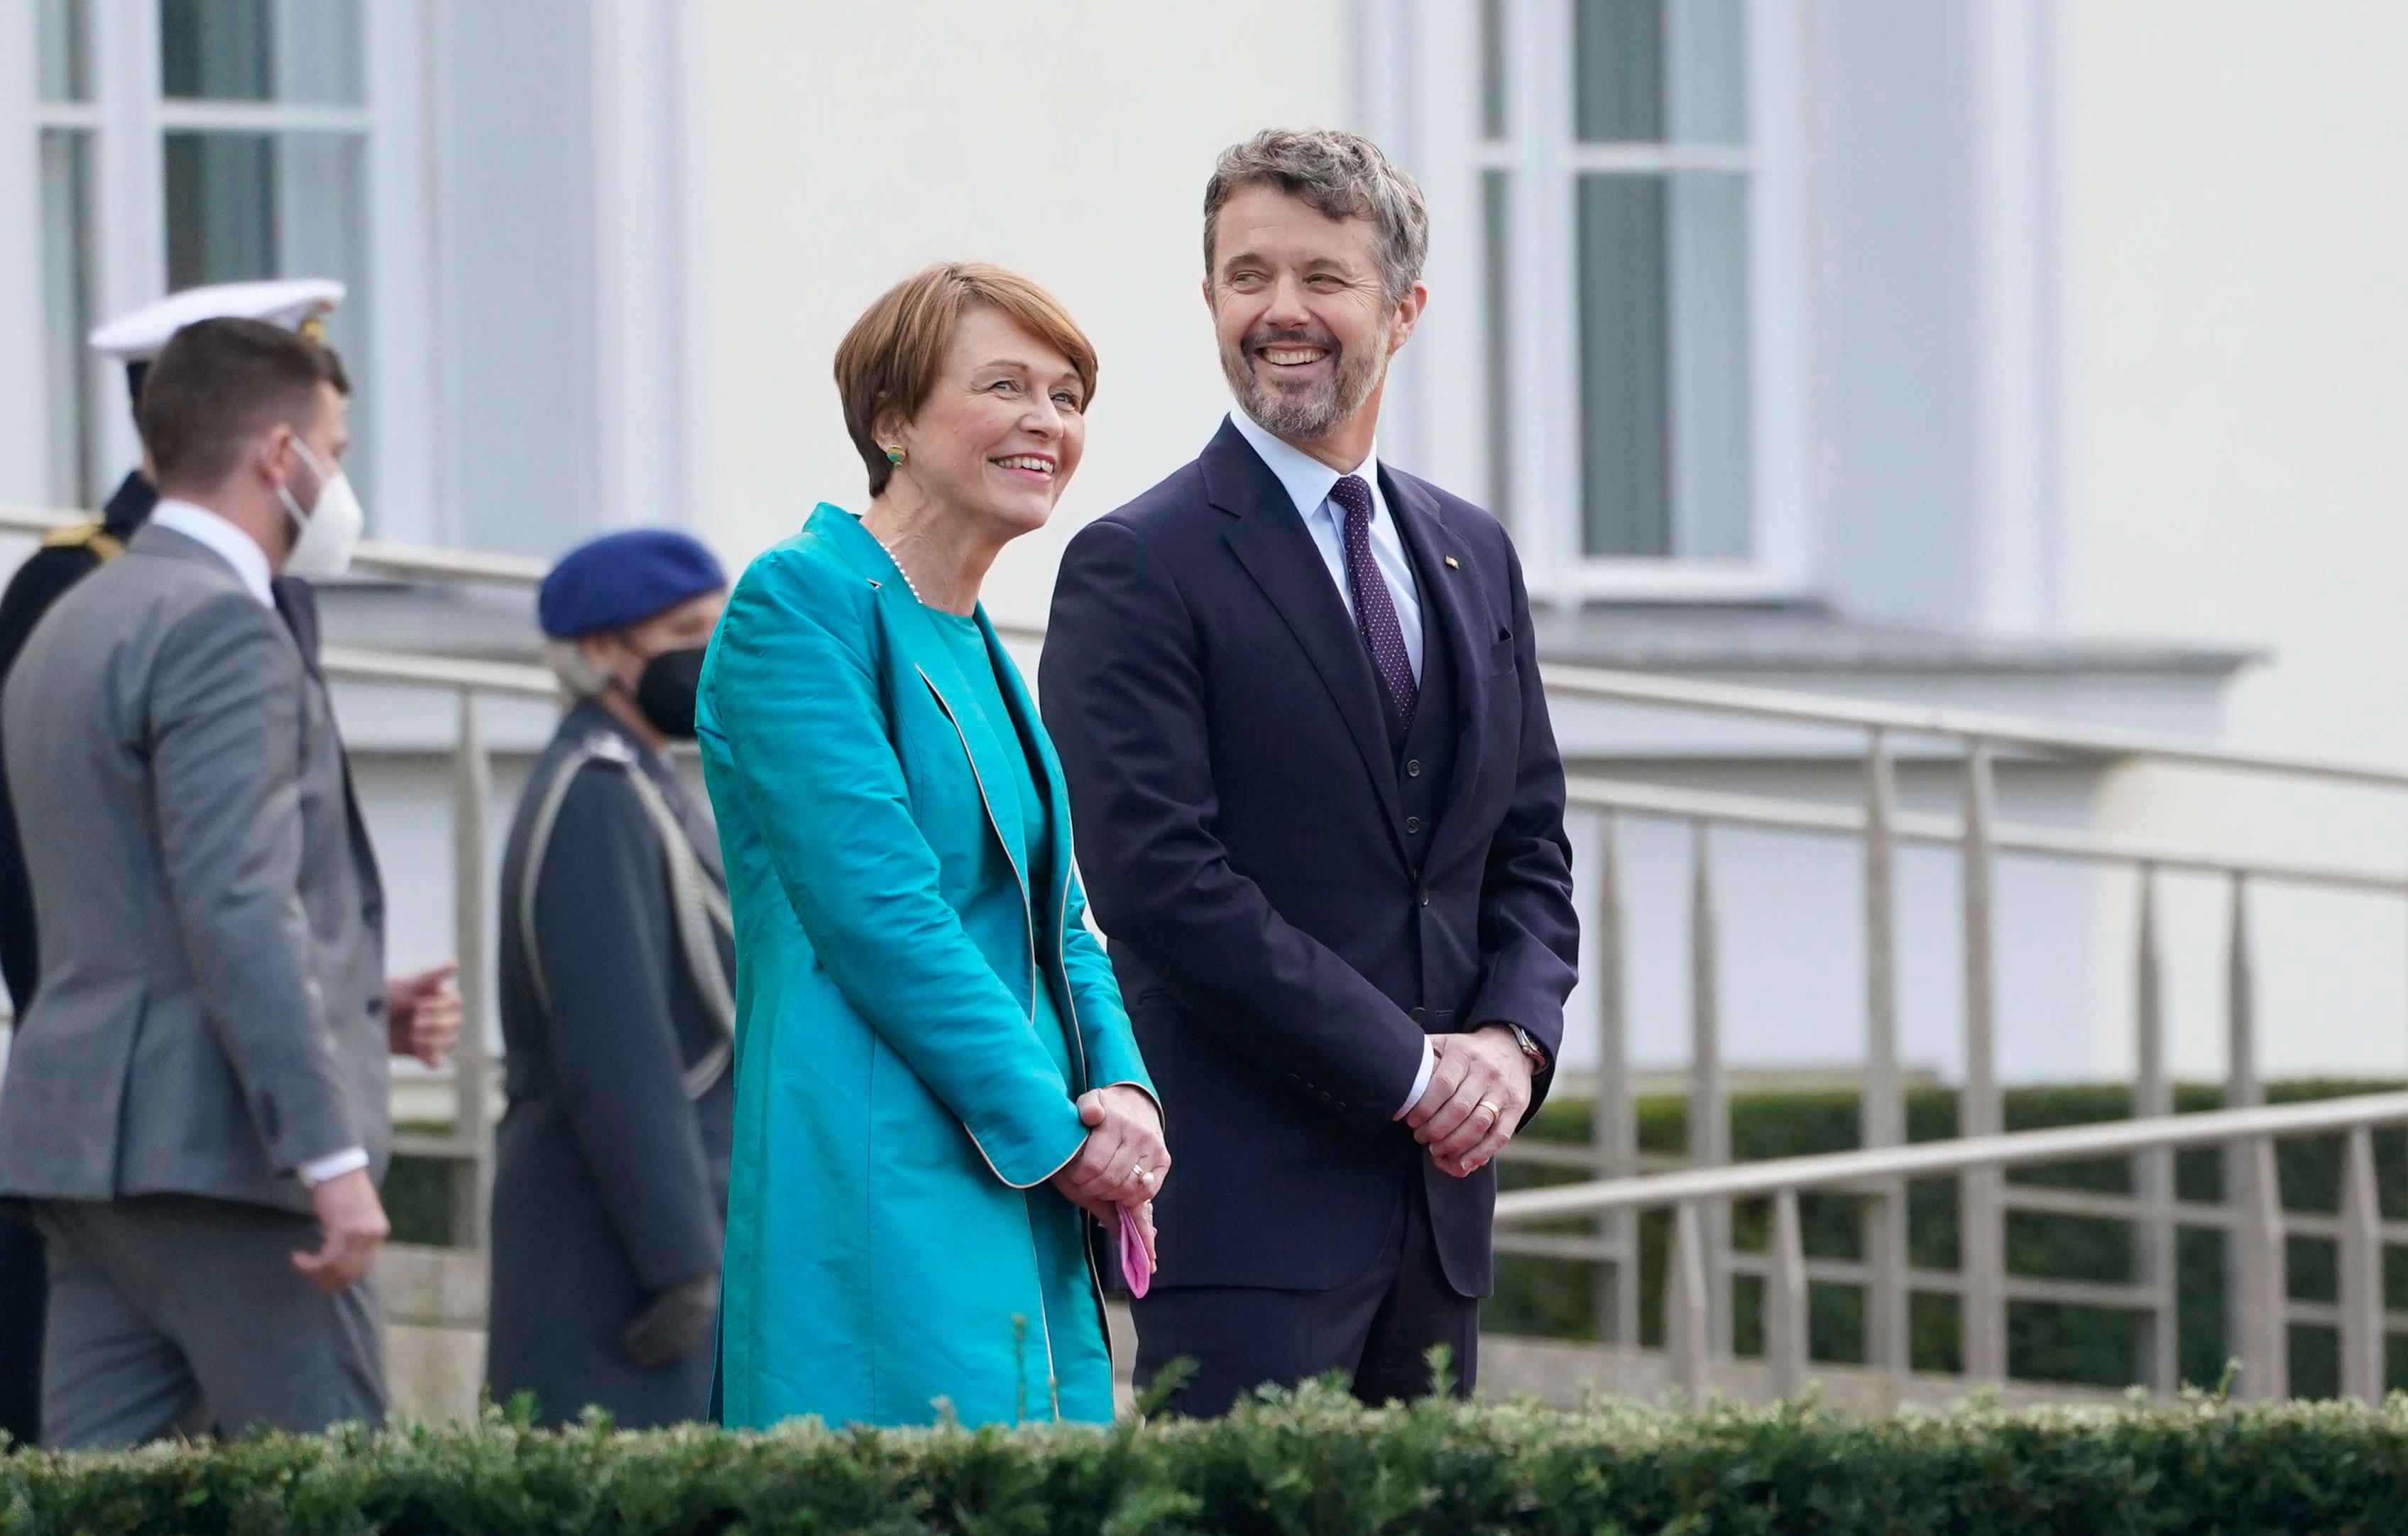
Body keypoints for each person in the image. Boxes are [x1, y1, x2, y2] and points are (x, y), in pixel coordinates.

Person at [1040, 128, 1580, 1417]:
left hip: (1439, 1220)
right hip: (1243, 1218)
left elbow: (1528, 843)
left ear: (1403, 309)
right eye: (1246, 276)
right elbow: (1161, 883)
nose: (1280, 311)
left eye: (1321, 278)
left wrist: (1512, 1039)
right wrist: (1412, 1069)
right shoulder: (1139, 562)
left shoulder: (1470, 549)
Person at [699, 263, 1165, 1430]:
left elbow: (1060, 917)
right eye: (1003, 386)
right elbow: (882, 913)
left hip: (1013, 1150)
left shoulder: (970, 633)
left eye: (1066, 396)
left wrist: (1122, 1086)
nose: (1044, 423)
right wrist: (1057, 1131)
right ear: (892, 421)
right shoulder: (800, 602)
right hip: (881, 1159)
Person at [0, 317, 461, 1449]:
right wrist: (332, 1157)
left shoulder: (74, 613)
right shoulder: (224, 628)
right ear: (276, 455)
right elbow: (236, 904)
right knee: (349, 1496)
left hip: (87, 1156)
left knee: (97, 1508)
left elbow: (139, 898)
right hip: (229, 1160)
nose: (338, 480)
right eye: (335, 451)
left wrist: (360, 1001)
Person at [486, 530, 735, 1429]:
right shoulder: (596, 793)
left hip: (656, 1237)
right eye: (683, 630)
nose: (710, 652)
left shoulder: (642, 781)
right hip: (614, 1257)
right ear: (598, 653)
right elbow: (615, 1053)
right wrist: (682, 1264)